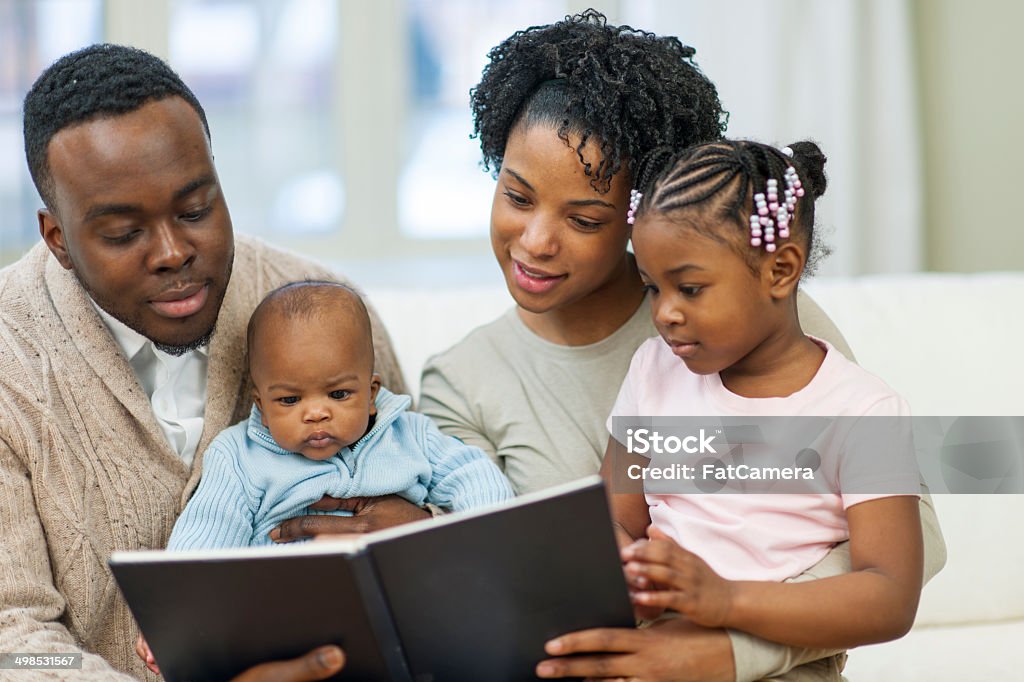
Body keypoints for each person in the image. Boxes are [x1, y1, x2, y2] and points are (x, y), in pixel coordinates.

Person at [417, 10, 945, 681]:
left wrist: (723, 648)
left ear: (642, 213)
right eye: (517, 196)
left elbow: (911, 549)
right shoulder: (466, 382)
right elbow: (514, 566)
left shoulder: (759, 322)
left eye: (584, 218)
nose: (537, 241)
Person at [1, 44, 417, 680]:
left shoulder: (325, 308)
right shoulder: (10, 358)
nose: (173, 252)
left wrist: (424, 530)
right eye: (122, 233)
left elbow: (427, 489)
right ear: (57, 239)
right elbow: (13, 641)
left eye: (196, 210)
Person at [605, 139, 923, 654]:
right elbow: (616, 516)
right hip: (655, 640)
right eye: (652, 288)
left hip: (784, 659)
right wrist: (628, 569)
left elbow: (890, 596)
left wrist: (725, 600)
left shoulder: (862, 412)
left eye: (689, 288)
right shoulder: (653, 371)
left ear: (780, 270)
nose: (664, 312)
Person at [169, 280, 513, 551]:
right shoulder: (239, 457)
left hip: (403, 594)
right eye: (290, 400)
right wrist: (175, 616)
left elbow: (474, 475)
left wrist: (490, 543)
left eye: (338, 395)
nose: (316, 413)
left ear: (372, 394)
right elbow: (206, 533)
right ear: (261, 405)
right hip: (288, 612)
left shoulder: (411, 435)